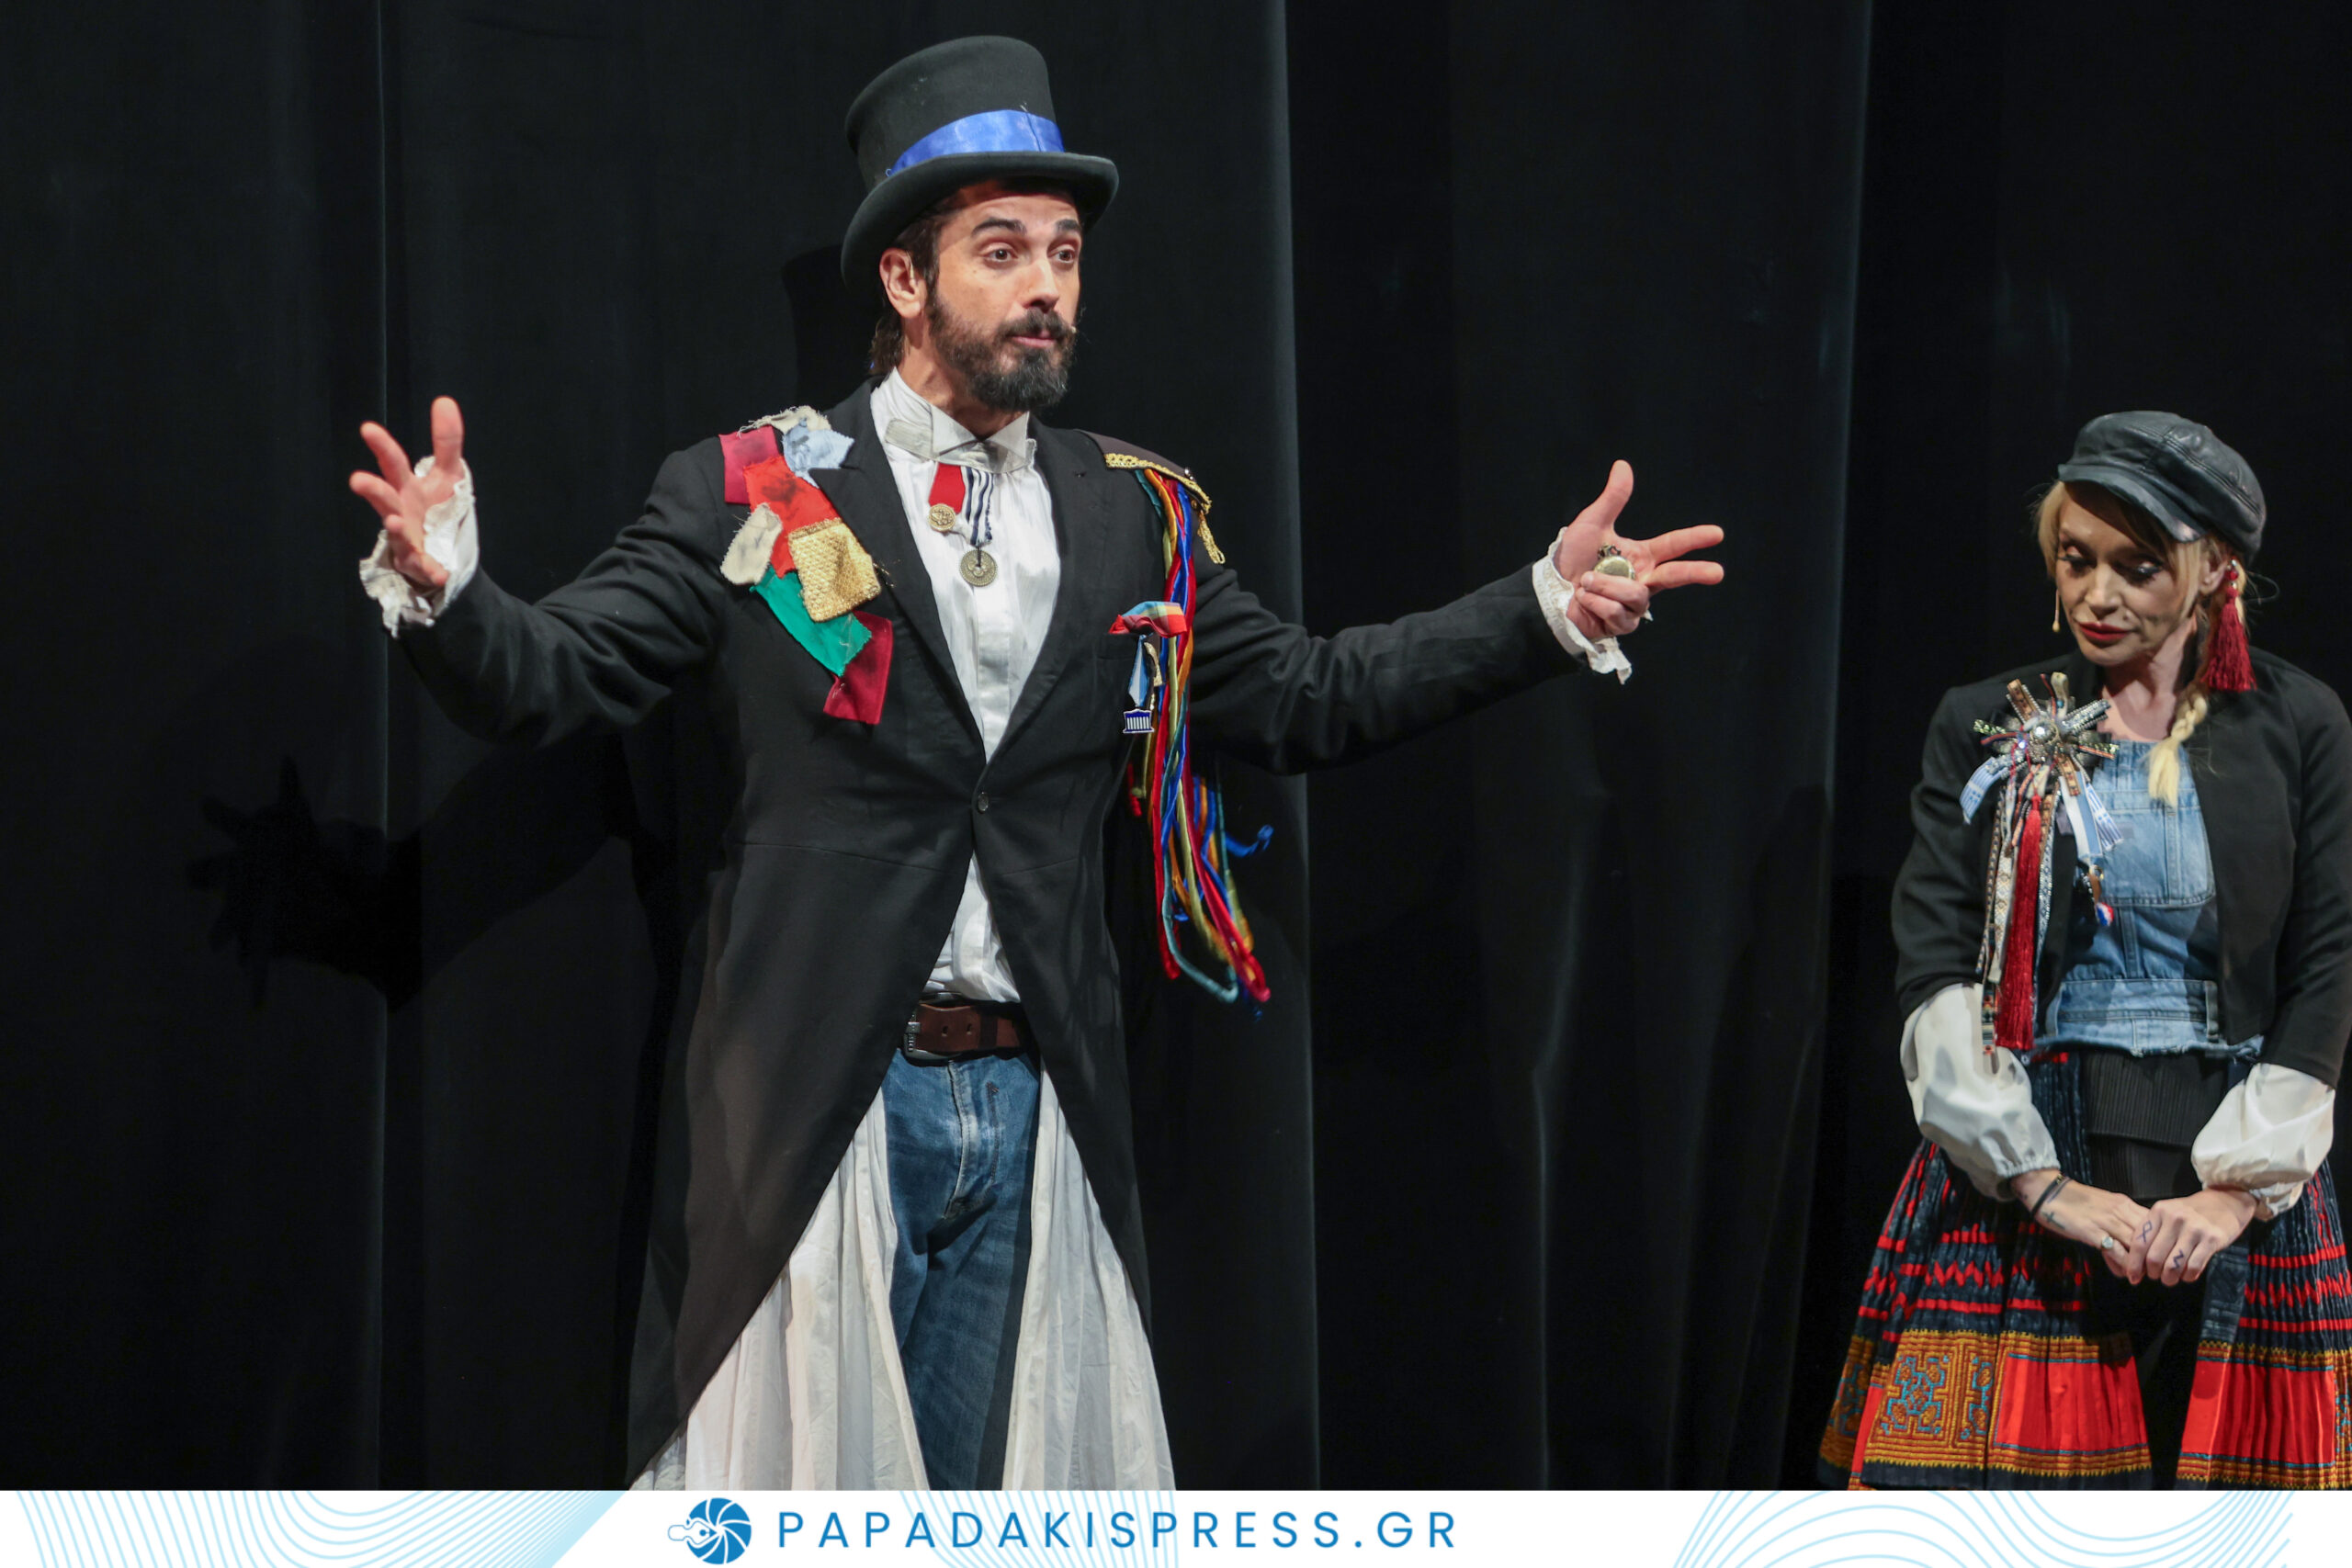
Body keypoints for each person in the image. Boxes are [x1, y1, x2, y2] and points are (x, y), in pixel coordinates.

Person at [348, 36, 1724, 1491]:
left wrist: (1540, 608)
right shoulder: (755, 489)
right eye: (1002, 250)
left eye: (1065, 252)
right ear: (905, 278)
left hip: (1036, 1099)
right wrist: (449, 593)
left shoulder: (1137, 516)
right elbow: (557, 671)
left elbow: (1308, 694)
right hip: (826, 1101)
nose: (1048, 286)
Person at [1820, 412, 2352, 1489]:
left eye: (2135, 567)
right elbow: (1935, 955)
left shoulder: (2298, 724)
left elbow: (2326, 960)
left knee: (2223, 1523)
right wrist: (2038, 1182)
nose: (2095, 594)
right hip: (2034, 1149)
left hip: (2228, 1150)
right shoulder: (1992, 720)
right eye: (2075, 560)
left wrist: (2234, 1195)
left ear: (2214, 573)